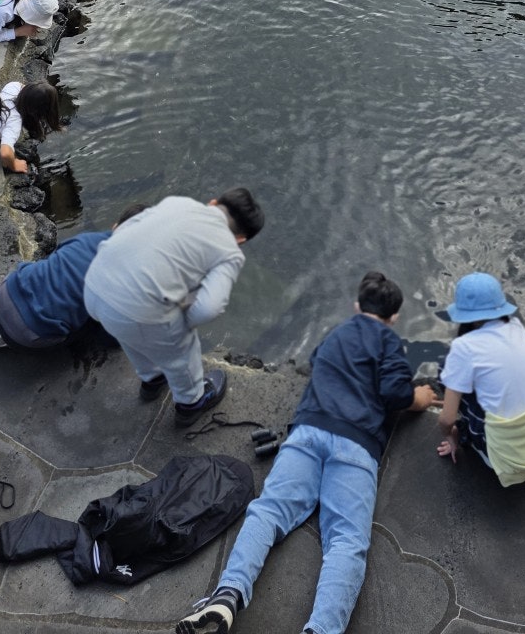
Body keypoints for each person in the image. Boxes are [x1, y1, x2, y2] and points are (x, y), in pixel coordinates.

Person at [175, 271, 438, 634]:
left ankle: (227, 594)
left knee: (267, 512)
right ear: (393, 317)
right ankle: (321, 628)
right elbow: (394, 392)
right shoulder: (388, 340)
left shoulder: (337, 333)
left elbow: (317, 362)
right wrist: (419, 398)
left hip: (307, 434)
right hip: (355, 445)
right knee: (346, 541)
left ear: (357, 306)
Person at [83, 189, 264, 424]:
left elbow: (123, 230)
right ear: (242, 239)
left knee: (130, 332)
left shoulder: (177, 203)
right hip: (137, 312)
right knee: (181, 349)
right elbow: (208, 308)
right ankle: (191, 403)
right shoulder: (230, 252)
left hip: (94, 287)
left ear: (213, 203)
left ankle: (152, 379)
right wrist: (177, 324)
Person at [0, 203, 144, 352]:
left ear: (115, 226)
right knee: (87, 328)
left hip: (6, 292)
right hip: (30, 334)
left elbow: (56, 259)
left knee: (37, 276)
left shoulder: (87, 239)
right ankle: (1, 337)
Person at [435, 272, 525, 486]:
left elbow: (446, 420)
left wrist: (453, 435)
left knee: (447, 373)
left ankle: (470, 437)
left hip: (510, 462)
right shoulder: (517, 329)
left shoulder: (462, 348)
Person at [0, 78, 62, 173]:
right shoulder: (14, 122)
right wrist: (14, 165)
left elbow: (21, 86)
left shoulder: (12, 87)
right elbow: (5, 153)